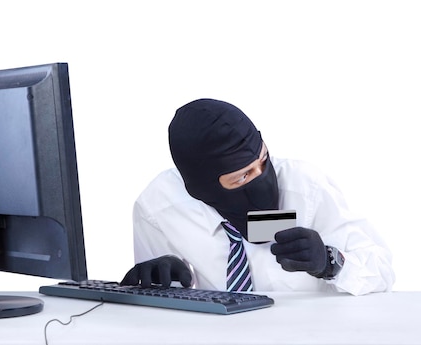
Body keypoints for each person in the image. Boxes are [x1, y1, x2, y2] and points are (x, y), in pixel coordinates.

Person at [121, 98, 394, 296]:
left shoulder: (305, 187)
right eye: (241, 177)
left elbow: (382, 270)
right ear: (201, 188)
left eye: (262, 161)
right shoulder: (158, 209)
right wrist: (158, 282)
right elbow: (160, 310)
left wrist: (330, 261)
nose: (260, 179)